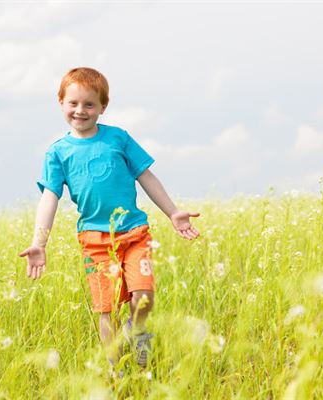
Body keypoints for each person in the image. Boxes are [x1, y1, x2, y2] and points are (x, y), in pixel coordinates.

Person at [19, 67, 200, 371]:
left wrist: (173, 212)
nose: (81, 110)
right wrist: (40, 241)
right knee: (107, 309)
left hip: (134, 233)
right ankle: (114, 367)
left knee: (144, 295)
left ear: (103, 107)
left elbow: (145, 175)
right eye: (73, 103)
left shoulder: (118, 138)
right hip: (95, 241)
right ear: (61, 103)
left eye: (89, 104)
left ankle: (137, 332)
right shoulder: (58, 153)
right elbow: (49, 198)